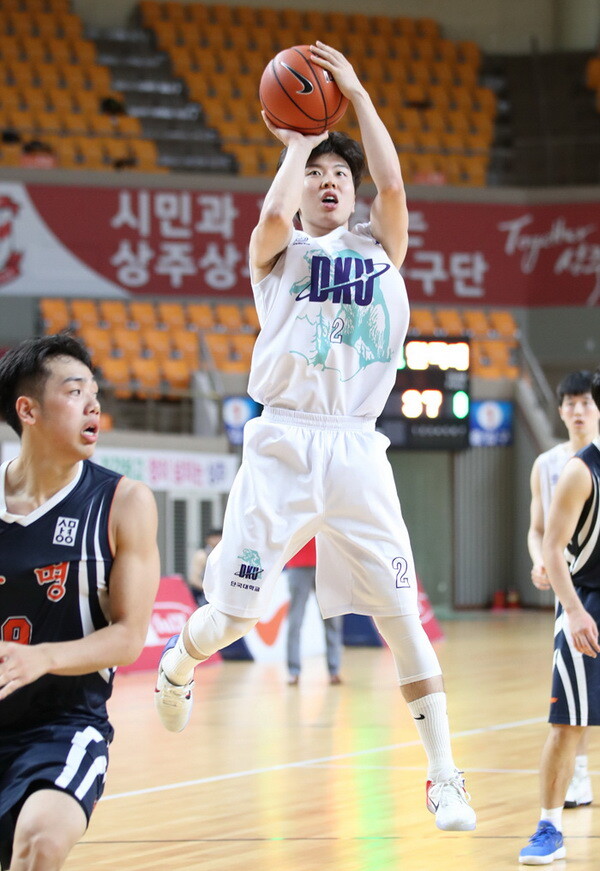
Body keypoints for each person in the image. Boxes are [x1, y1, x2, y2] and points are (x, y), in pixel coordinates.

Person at [154, 41, 476, 832]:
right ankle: (180, 659)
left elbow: (393, 186)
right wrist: (298, 141)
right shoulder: (280, 255)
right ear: (298, 187)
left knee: (401, 615)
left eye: (340, 174)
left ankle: (444, 775)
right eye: (317, 175)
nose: (331, 182)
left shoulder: (382, 251)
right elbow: (269, 218)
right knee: (232, 615)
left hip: (357, 447)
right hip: (283, 444)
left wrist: (357, 95)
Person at [0, 334, 160, 871]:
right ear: (28, 410)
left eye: (95, 392)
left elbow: (129, 637)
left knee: (41, 840)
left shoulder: (123, 502)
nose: (94, 405)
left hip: (63, 725)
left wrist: (42, 657)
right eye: (74, 392)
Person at [519, 366, 600, 865]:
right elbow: (548, 542)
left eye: (584, 401)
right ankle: (550, 826)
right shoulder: (572, 469)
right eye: (570, 402)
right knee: (568, 719)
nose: (577, 410)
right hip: (585, 600)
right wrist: (572, 608)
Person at [285, 538, 343, 686]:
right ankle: (293, 671)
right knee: (295, 621)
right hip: (298, 562)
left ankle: (334, 670)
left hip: (326, 564)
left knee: (332, 619)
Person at [188, 528, 223, 606]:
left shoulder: (226, 554)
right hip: (204, 593)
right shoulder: (202, 555)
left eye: (219, 537)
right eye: (214, 538)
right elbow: (194, 579)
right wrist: (209, 590)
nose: (217, 540)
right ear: (208, 540)